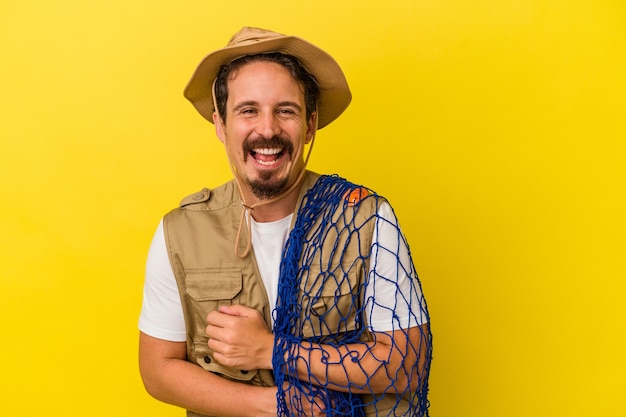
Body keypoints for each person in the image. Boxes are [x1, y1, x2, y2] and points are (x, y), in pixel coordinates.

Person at [138, 26, 432, 417]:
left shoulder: (367, 219)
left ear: (310, 125)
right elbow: (158, 370)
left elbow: (405, 365)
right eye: (248, 110)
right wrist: (275, 405)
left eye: (285, 111)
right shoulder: (180, 232)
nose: (268, 129)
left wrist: (270, 350)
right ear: (220, 125)